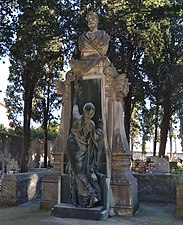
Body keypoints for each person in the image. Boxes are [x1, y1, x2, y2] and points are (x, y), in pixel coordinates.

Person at [67, 82, 104, 208]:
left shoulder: (76, 116)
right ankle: (91, 195)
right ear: (92, 113)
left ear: (84, 110)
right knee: (79, 173)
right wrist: (101, 131)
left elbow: (75, 104)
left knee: (78, 172)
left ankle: (89, 195)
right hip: (79, 149)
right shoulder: (91, 124)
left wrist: (76, 91)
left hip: (73, 146)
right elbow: (94, 138)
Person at [70, 11, 118, 77]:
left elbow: (103, 50)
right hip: (84, 60)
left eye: (93, 18)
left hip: (99, 61)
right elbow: (81, 48)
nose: (91, 20)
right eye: (89, 19)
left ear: (97, 21)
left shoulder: (104, 36)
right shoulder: (82, 38)